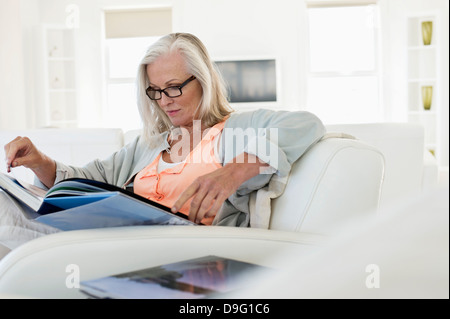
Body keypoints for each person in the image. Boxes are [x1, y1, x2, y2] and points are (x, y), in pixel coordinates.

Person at [1, 32, 325, 250]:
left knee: (11, 232)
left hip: (183, 251)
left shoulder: (236, 129)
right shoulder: (150, 146)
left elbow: (306, 123)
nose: (164, 100)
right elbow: (80, 183)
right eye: (155, 91)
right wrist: (38, 161)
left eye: (174, 87)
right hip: (119, 244)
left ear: (203, 80)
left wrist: (234, 171)